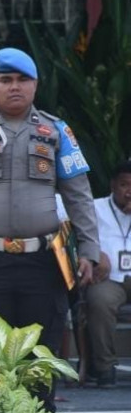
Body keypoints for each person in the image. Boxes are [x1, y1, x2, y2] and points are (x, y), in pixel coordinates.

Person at [0, 47, 99, 411]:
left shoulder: (57, 132)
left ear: (35, 85)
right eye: (5, 80)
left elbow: (80, 197)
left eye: (22, 80)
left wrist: (88, 251)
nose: (14, 87)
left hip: (43, 264)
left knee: (40, 360)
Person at [85, 161, 131, 388]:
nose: (129, 192)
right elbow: (65, 226)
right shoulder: (96, 207)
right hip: (109, 278)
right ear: (113, 185)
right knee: (99, 300)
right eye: (124, 185)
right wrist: (93, 253)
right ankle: (104, 368)